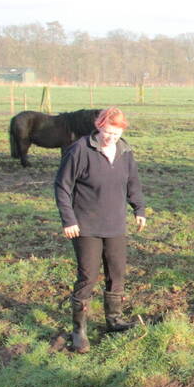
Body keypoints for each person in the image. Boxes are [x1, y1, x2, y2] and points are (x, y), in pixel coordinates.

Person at [54, 107, 146, 353]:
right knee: (88, 277)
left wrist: (139, 209)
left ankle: (114, 320)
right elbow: (62, 187)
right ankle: (79, 332)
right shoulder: (80, 150)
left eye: (116, 134)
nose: (110, 138)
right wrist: (68, 219)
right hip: (86, 226)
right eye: (107, 132)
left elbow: (132, 182)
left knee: (116, 273)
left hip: (115, 225)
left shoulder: (125, 151)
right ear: (99, 127)